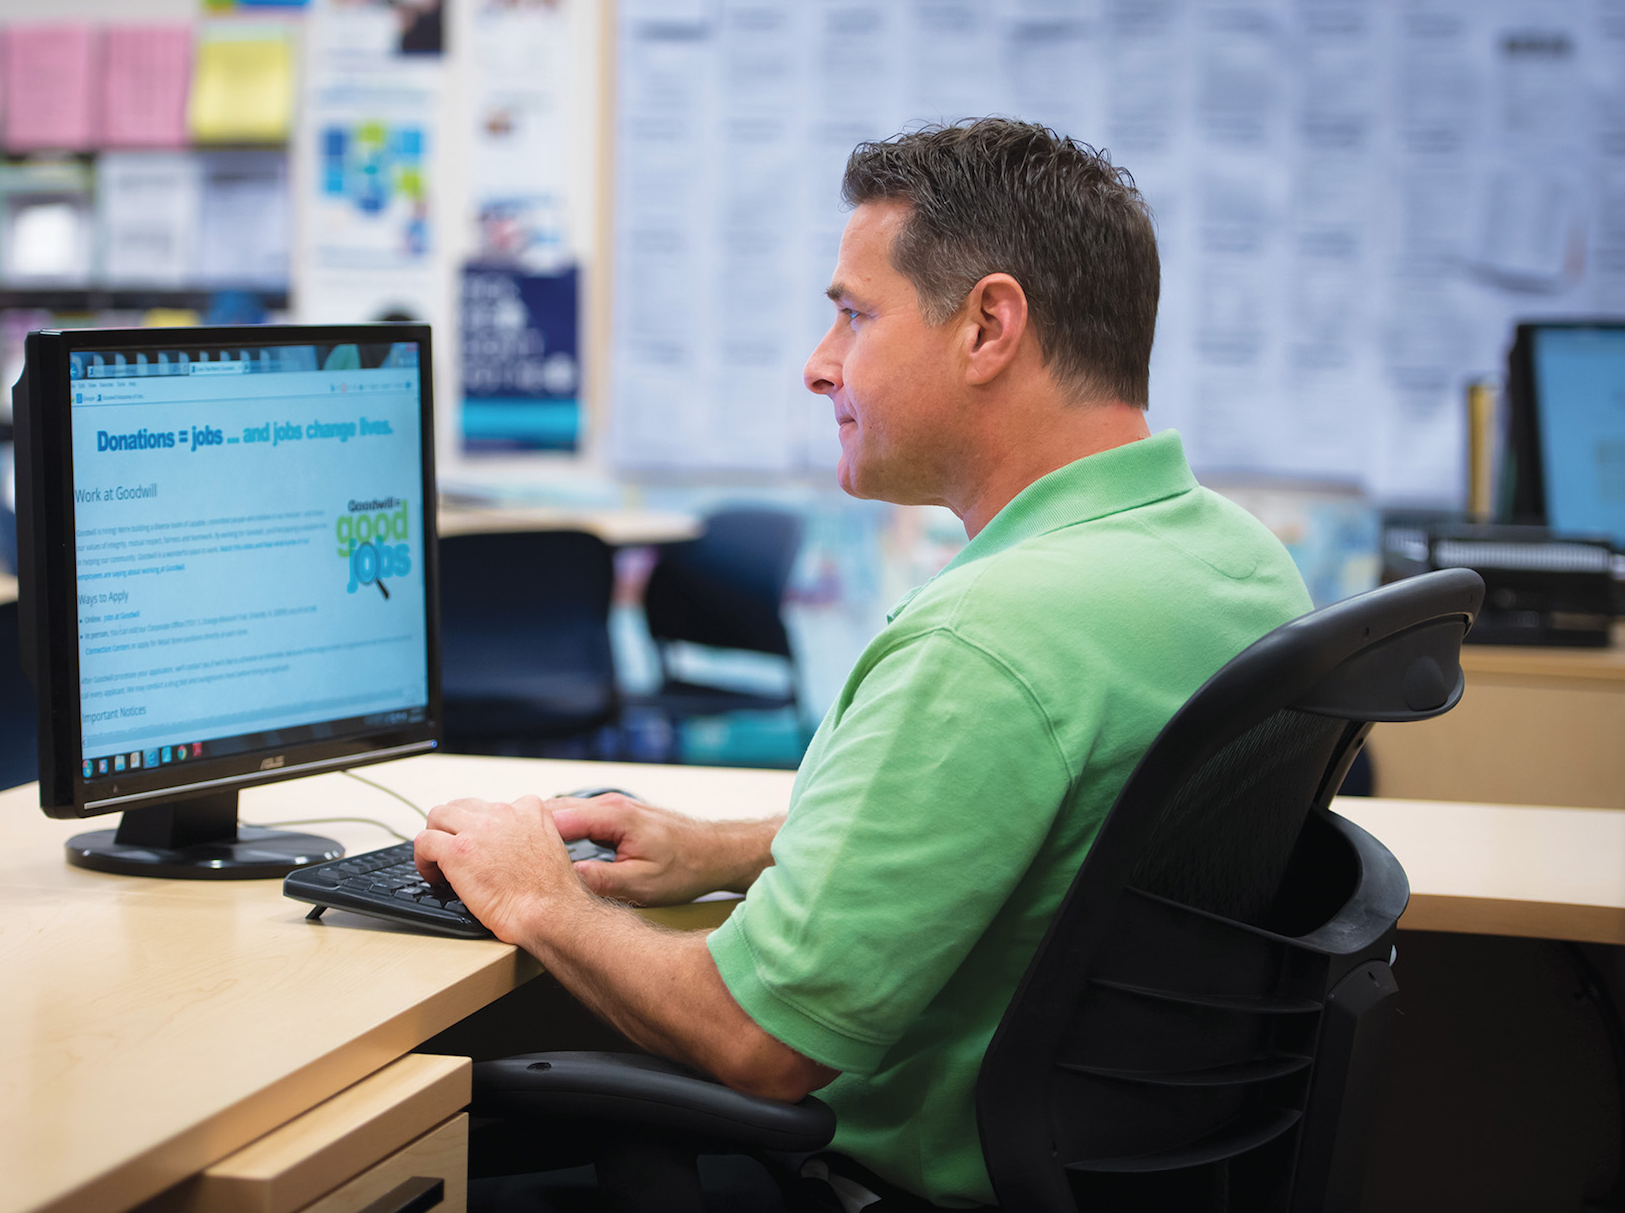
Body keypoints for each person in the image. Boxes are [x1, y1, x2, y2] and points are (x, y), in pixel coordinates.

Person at [415, 118, 1313, 1209]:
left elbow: (754, 1041)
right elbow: (1056, 842)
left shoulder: (989, 637)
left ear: (987, 326)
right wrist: (724, 848)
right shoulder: (1233, 564)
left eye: (852, 314)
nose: (818, 364)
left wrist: (540, 896)